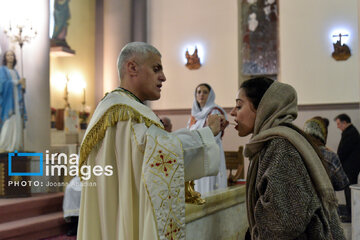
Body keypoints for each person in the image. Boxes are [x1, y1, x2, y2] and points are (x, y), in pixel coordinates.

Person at [77, 42, 227, 240]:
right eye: (156, 69)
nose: (163, 77)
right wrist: (207, 134)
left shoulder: (115, 109)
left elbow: (154, 150)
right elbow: (161, 152)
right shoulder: (125, 114)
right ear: (132, 68)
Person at [230, 77, 345, 239]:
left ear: (263, 108)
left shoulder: (281, 146)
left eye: (239, 106)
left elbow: (285, 223)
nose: (232, 112)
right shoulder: (269, 143)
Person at [187, 83, 228, 195]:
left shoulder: (215, 111)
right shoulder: (194, 115)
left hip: (210, 153)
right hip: (196, 156)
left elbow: (214, 136)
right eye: (199, 92)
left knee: (210, 188)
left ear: (210, 95)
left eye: (205, 92)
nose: (201, 95)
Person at [303, 116, 349, 191]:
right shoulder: (330, 156)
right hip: (325, 201)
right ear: (323, 135)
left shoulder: (296, 152)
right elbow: (342, 184)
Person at [334, 113, 360, 222]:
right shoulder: (351, 132)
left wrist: (336, 156)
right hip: (351, 167)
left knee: (349, 192)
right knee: (348, 191)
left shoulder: (350, 133)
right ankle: (350, 214)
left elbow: (343, 151)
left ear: (345, 122)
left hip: (350, 168)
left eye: (339, 123)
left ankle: (351, 216)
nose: (338, 126)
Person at [0, 50, 26, 152]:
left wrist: (23, 86)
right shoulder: (3, 70)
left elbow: (21, 87)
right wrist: (16, 82)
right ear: (5, 58)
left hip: (17, 102)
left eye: (12, 55)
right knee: (8, 122)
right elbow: (2, 84)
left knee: (17, 121)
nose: (10, 57)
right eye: (8, 55)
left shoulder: (15, 72)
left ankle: (15, 145)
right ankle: (4, 145)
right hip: (8, 102)